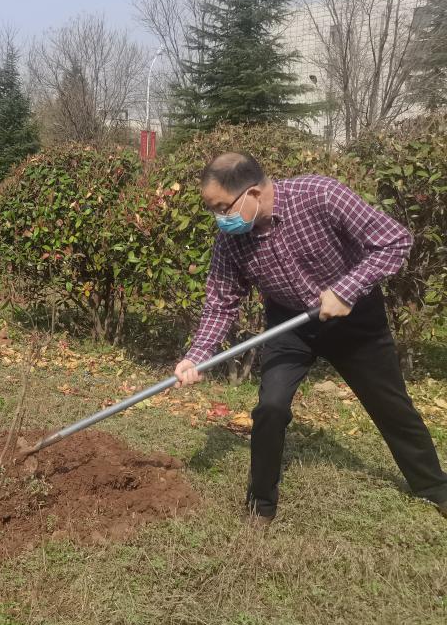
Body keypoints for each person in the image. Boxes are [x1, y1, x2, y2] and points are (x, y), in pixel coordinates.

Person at [173, 152, 447, 523]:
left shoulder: (321, 195)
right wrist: (198, 355)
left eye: (223, 208)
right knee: (270, 407)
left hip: (354, 319)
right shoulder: (230, 242)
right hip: (291, 325)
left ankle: (435, 488)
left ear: (252, 192)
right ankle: (261, 506)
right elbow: (221, 302)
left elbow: (395, 241)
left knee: (391, 406)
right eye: (214, 211)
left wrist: (346, 288)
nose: (220, 220)